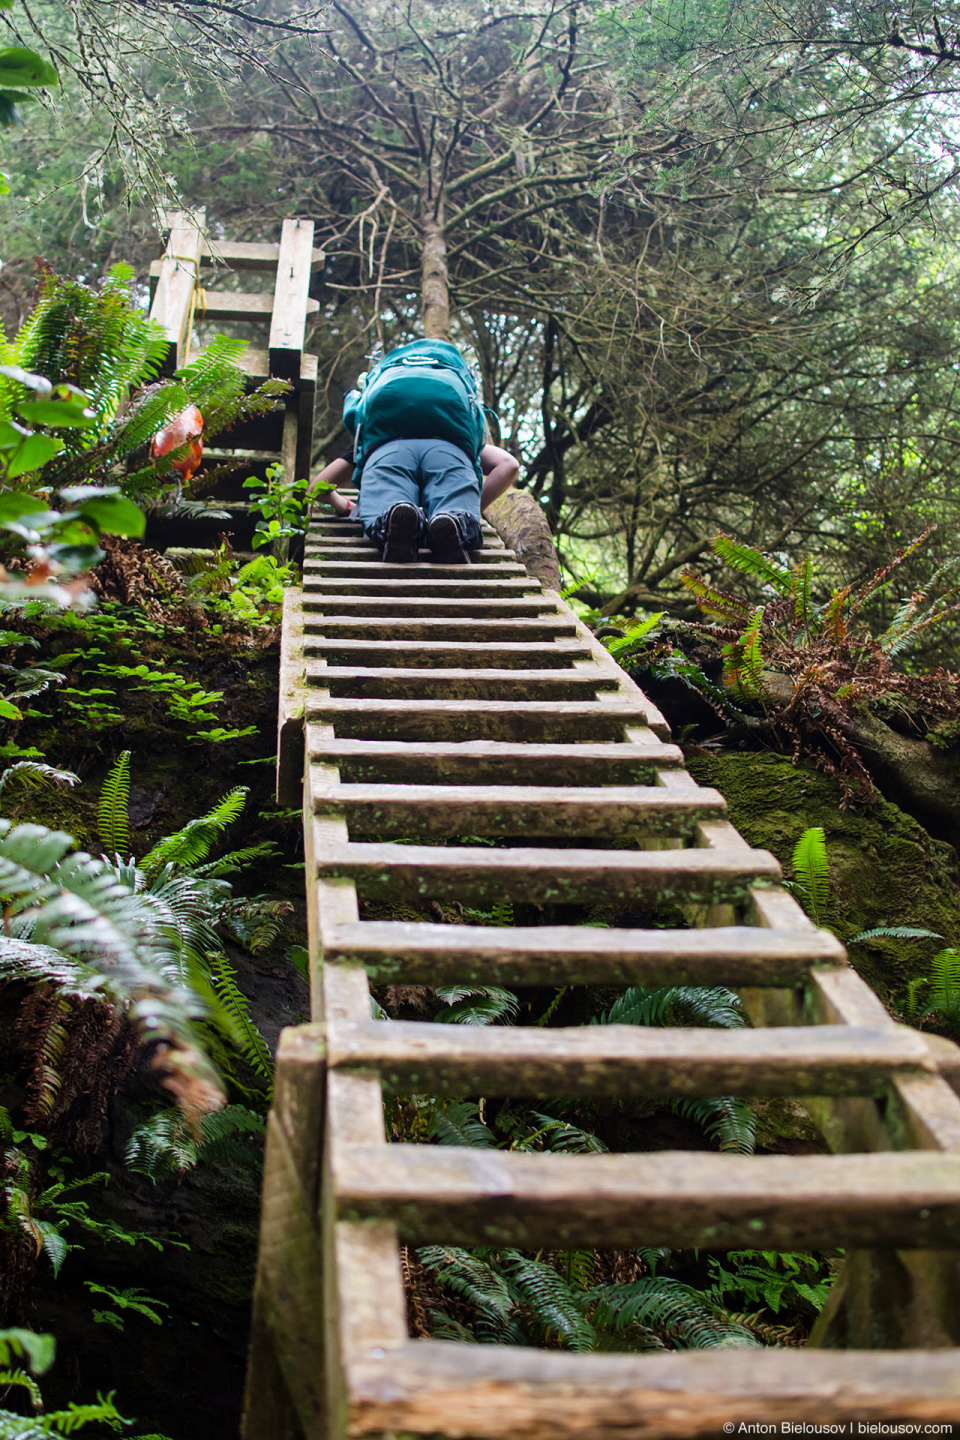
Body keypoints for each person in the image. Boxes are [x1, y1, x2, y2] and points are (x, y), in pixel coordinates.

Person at [309, 439, 519, 563]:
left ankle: (395, 518)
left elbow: (317, 487)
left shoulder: (374, 439)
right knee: (455, 515)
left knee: (390, 512)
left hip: (388, 454)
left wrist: (346, 506)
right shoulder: (457, 436)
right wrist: (472, 506)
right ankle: (455, 521)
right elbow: (509, 464)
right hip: (449, 453)